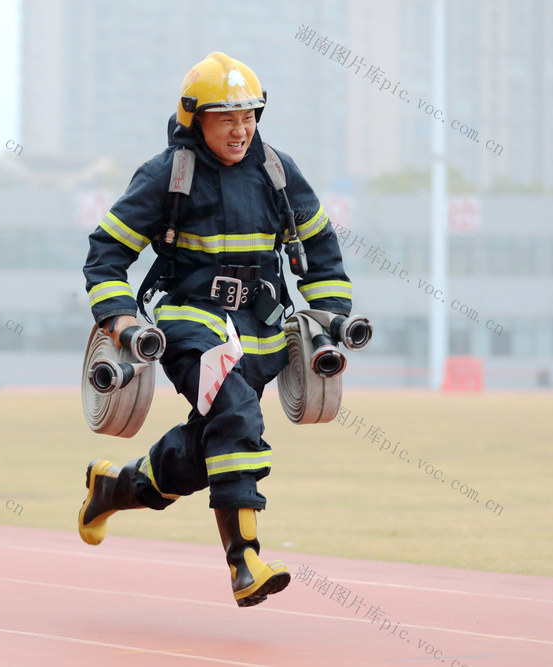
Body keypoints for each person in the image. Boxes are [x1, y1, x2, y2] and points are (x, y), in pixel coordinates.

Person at [79, 52, 353, 607]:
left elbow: (322, 253)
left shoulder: (278, 170)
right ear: (193, 118)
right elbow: (105, 255)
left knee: (215, 442)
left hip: (262, 330)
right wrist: (121, 317)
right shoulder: (165, 176)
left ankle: (114, 488)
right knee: (236, 414)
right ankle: (244, 561)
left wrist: (329, 321)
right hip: (190, 322)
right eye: (226, 117)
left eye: (249, 115)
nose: (240, 129)